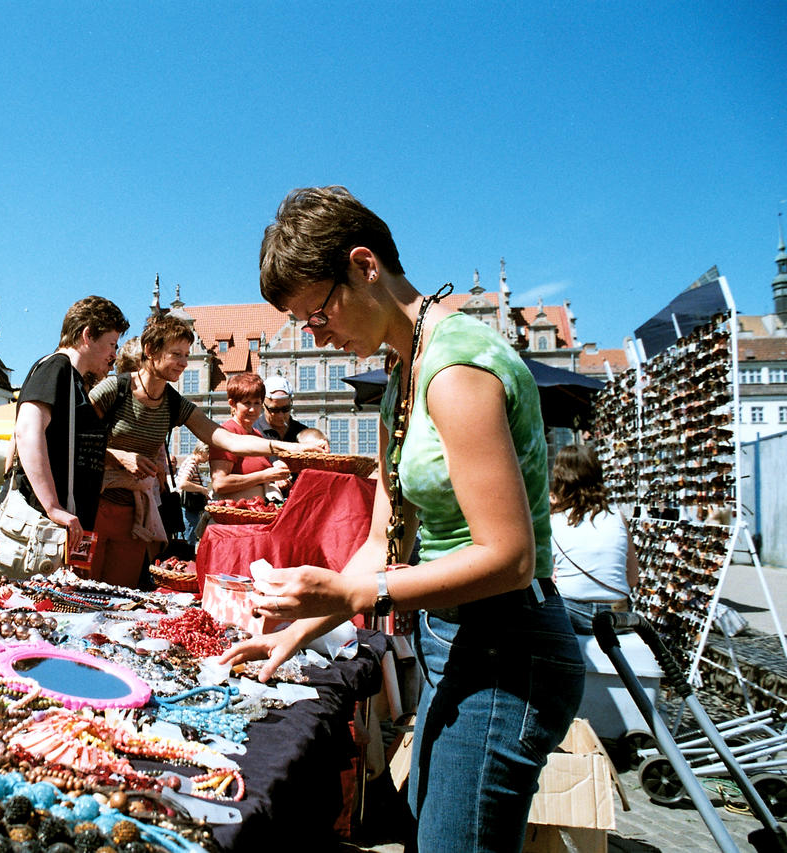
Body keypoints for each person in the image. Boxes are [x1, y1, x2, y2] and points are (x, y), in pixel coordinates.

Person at [221, 186, 583, 851]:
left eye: (317, 313)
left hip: (508, 646)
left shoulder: (454, 368)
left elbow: (511, 555)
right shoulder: (403, 375)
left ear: (365, 267)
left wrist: (360, 592)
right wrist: (295, 633)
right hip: (462, 640)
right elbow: (384, 540)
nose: (314, 335)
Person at [88, 315, 325, 586]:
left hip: (134, 514)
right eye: (175, 354)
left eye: (187, 355)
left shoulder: (173, 402)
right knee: (78, 591)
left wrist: (292, 448)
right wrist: (119, 455)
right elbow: (73, 436)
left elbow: (227, 439)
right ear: (150, 350)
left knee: (120, 595)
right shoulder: (116, 388)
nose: (184, 363)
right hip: (94, 506)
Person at [13, 296, 129, 547]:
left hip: (67, 526)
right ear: (87, 335)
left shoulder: (74, 379)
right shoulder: (57, 368)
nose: (114, 355)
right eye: (112, 344)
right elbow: (26, 431)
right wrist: (53, 506)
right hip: (47, 526)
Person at [549, 444, 638, 634]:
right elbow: (632, 579)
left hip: (571, 613)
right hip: (617, 615)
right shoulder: (617, 517)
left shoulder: (555, 521)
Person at [208, 373, 292, 500]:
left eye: (257, 403)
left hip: (256, 511)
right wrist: (266, 475)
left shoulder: (257, 434)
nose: (253, 409)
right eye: (247, 403)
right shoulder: (227, 432)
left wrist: (277, 476)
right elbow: (220, 484)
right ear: (232, 404)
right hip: (234, 514)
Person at [252, 375, 311, 444]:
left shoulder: (303, 432)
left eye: (285, 409)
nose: (280, 415)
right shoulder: (252, 431)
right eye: (274, 410)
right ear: (262, 404)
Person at [177, 443, 210, 545]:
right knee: (189, 534)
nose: (209, 457)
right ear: (201, 453)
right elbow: (183, 484)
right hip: (190, 507)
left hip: (189, 506)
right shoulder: (192, 464)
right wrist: (202, 489)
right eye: (208, 454)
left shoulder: (191, 462)